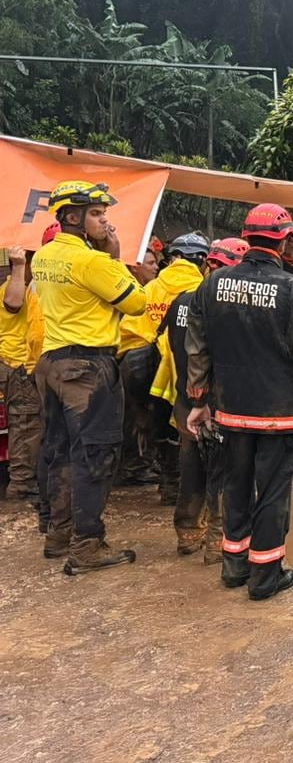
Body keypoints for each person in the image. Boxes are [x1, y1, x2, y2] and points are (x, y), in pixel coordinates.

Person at [185, 203, 293, 601]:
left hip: (230, 410)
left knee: (235, 485)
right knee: (272, 492)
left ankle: (235, 567)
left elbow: (197, 347)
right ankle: (266, 575)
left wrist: (198, 399)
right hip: (278, 413)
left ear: (246, 237)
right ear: (285, 239)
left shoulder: (213, 285)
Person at [30, 180, 147, 573]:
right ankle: (88, 545)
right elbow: (137, 302)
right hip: (88, 368)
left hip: (51, 364)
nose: (105, 222)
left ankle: (57, 535)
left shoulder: (42, 257)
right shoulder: (93, 262)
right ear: (73, 217)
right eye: (97, 214)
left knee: (59, 452)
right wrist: (114, 259)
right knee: (95, 456)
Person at [152, 237, 247, 561]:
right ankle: (217, 544)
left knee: (191, 468)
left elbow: (164, 342)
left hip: (185, 400)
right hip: (219, 402)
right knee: (225, 471)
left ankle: (188, 534)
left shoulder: (181, 301)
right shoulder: (231, 309)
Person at [116, 232, 211, 501]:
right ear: (202, 260)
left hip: (145, 375)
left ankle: (168, 483)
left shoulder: (150, 289)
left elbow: (127, 333)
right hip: (186, 376)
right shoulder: (203, 291)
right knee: (188, 431)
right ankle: (189, 491)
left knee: (157, 426)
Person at [0, 245, 43, 506]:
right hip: (18, 366)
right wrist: (17, 266)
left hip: (28, 365)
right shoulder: (13, 287)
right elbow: (13, 304)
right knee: (26, 424)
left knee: (32, 425)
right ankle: (22, 484)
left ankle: (27, 481)